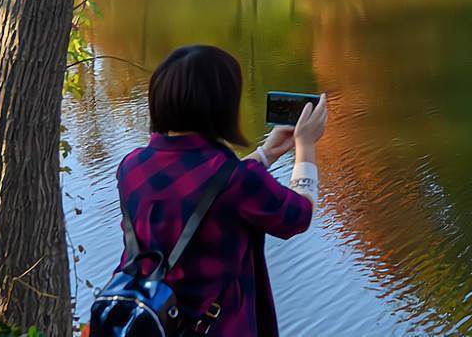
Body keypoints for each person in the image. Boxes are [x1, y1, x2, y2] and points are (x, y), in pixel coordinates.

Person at [109, 45, 326, 337]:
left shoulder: (131, 167)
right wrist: (306, 147)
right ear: (222, 106)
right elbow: (298, 215)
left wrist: (268, 152)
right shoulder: (237, 181)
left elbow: (204, 186)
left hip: (147, 323)